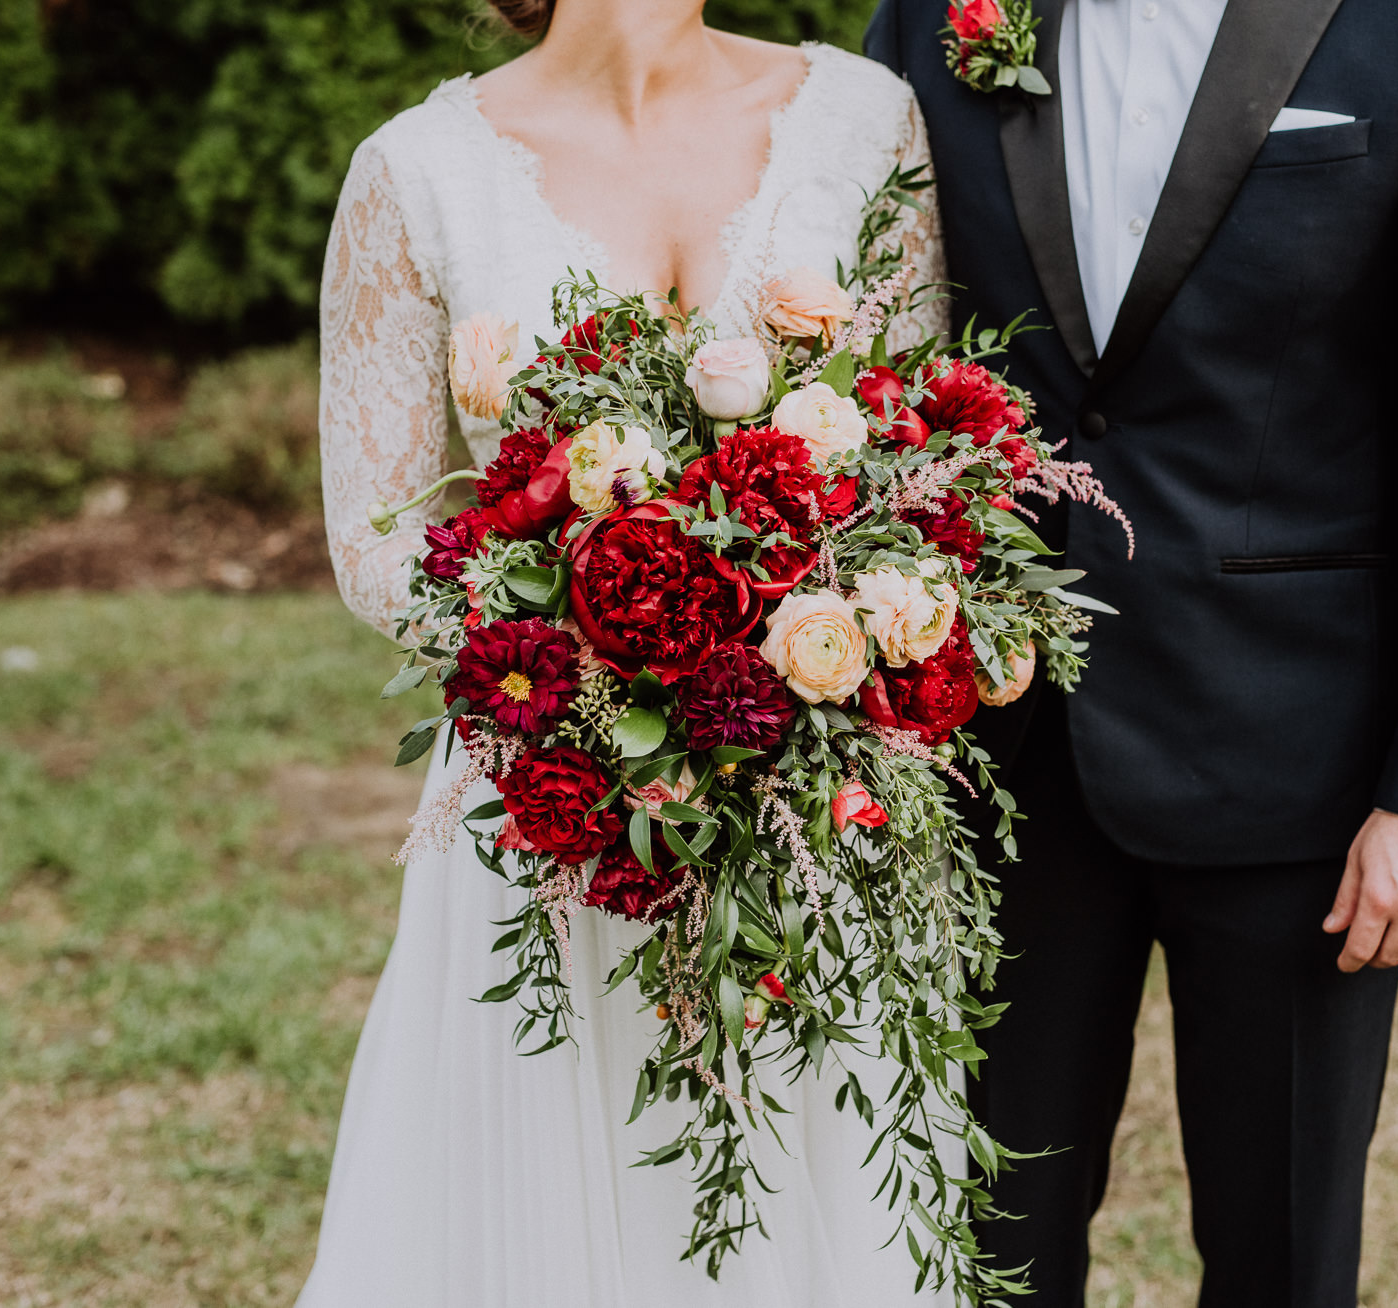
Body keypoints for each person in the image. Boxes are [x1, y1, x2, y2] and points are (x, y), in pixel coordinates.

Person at [866, 0, 1398, 1304]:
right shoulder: (933, 14)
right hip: (994, 759)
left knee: (1282, 1255)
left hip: (1299, 762)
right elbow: (866, 337)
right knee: (978, 1250)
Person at [305, 1, 949, 1302]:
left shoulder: (863, 120)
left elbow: (914, 454)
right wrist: (606, 682)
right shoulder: (417, 174)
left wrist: (788, 662)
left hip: (806, 792)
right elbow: (377, 543)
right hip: (550, 812)